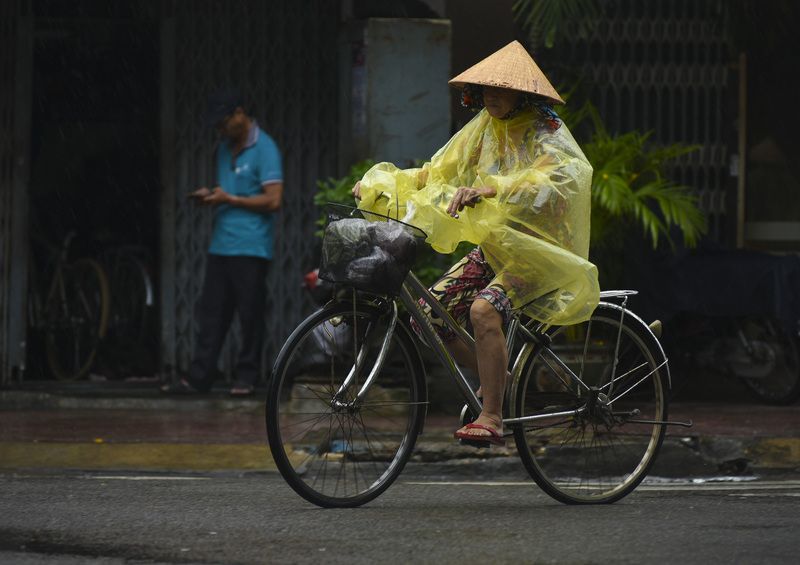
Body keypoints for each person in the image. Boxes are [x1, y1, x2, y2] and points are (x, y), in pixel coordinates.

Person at [352, 41, 599, 444]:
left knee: (483, 311)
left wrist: (491, 188)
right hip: (499, 246)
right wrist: (381, 184)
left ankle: (493, 415)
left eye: (502, 89)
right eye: (486, 88)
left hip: (541, 252)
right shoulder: (483, 127)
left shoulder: (545, 129)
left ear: (522, 94)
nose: (491, 96)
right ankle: (499, 375)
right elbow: (435, 172)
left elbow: (560, 176)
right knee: (428, 318)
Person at [162, 89, 283, 396]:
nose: (220, 129)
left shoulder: (265, 148)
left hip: (251, 246)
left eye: (223, 122)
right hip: (221, 244)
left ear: (240, 113)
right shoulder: (223, 149)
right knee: (212, 313)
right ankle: (200, 376)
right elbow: (228, 189)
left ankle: (247, 377)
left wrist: (229, 199)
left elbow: (273, 200)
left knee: (250, 315)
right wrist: (213, 195)